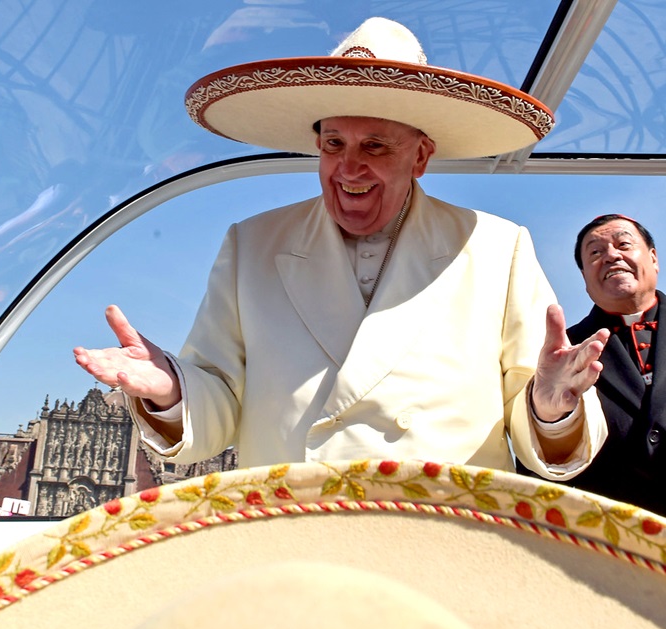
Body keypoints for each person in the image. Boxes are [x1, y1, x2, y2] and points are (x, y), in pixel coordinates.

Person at [73, 17, 609, 478]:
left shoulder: (499, 248)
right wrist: (170, 389)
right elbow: (216, 406)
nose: (349, 167)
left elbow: (542, 428)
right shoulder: (252, 244)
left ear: (420, 156)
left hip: (442, 545)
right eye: (334, 144)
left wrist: (552, 404)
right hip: (296, 545)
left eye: (374, 145)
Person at [558, 214, 666, 513]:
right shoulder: (566, 350)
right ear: (584, 278)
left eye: (623, 244)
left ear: (653, 258)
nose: (611, 255)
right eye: (595, 252)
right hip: (613, 528)